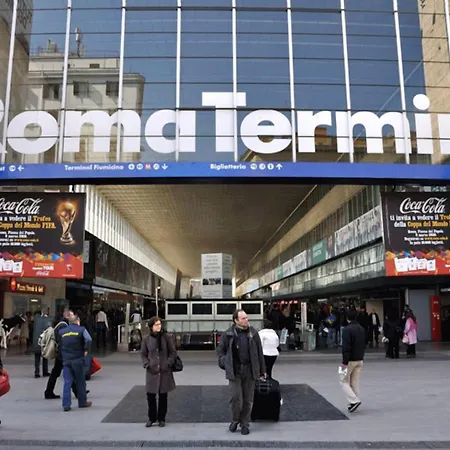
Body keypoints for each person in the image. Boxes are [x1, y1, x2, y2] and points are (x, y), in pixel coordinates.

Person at [216, 309, 266, 436]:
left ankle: (245, 423)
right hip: (235, 370)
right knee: (235, 398)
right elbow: (220, 351)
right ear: (236, 320)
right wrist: (225, 362)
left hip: (250, 370)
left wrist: (262, 370)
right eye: (243, 318)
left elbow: (259, 352)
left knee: (248, 400)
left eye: (247, 317)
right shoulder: (228, 334)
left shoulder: (253, 333)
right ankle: (235, 419)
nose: (246, 320)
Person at [141, 316, 177, 428]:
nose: (159, 326)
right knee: (150, 396)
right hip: (152, 371)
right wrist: (147, 364)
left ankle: (161, 418)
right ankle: (151, 418)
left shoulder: (167, 337)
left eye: (160, 324)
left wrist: (168, 363)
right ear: (151, 327)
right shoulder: (146, 339)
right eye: (156, 325)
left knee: (163, 396)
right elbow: (143, 354)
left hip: (164, 371)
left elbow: (173, 352)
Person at [45, 308, 89, 400]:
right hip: (63, 353)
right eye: (72, 315)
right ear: (67, 316)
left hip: (61, 353)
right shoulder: (63, 325)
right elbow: (64, 340)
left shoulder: (60, 324)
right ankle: (77, 392)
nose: (74, 317)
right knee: (67, 373)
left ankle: (49, 391)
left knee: (57, 372)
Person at [58, 315, 92, 412]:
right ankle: (82, 402)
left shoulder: (62, 332)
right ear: (78, 321)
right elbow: (89, 339)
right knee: (80, 381)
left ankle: (66, 405)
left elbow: (58, 343)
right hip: (78, 359)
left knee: (67, 382)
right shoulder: (82, 330)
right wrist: (85, 349)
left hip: (66, 360)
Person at [340, 309, 366, 413]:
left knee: (343, 380)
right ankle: (355, 400)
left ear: (347, 318)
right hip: (360, 358)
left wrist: (344, 362)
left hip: (350, 360)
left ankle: (354, 401)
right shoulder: (361, 328)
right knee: (354, 381)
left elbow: (346, 347)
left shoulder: (346, 330)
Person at [32, 311, 51, 378]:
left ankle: (37, 372)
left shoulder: (36, 321)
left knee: (37, 358)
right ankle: (44, 371)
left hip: (37, 341)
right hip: (44, 341)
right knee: (44, 357)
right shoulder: (45, 321)